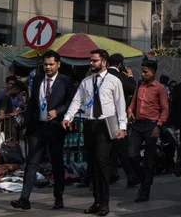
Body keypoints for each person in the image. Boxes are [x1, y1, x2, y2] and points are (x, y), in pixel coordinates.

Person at [63, 50, 127, 217]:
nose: (90, 63)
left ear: (103, 62)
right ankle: (96, 201)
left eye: (94, 60)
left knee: (102, 161)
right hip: (89, 123)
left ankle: (104, 202)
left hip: (106, 124)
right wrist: (68, 117)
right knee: (93, 164)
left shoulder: (114, 81)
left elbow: (120, 104)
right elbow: (77, 100)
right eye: (90, 61)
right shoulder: (86, 82)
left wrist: (122, 126)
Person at [12, 50, 74, 211]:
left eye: (51, 64)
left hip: (54, 127)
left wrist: (58, 112)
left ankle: (58, 197)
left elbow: (71, 102)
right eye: (45, 64)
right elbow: (32, 103)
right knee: (32, 162)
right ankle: (24, 198)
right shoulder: (38, 79)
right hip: (37, 127)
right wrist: (26, 125)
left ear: (58, 64)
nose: (48, 67)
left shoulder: (65, 81)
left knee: (56, 162)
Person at [126, 59, 169, 203]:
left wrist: (158, 126)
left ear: (153, 72)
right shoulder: (139, 85)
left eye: (146, 72)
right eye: (142, 71)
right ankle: (144, 178)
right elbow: (133, 102)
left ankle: (144, 191)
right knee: (131, 154)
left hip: (151, 125)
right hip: (137, 125)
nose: (143, 74)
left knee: (149, 160)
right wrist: (130, 110)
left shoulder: (160, 88)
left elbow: (165, 109)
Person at [106, 54, 137, 189]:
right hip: (117, 117)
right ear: (120, 64)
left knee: (108, 148)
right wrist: (130, 75)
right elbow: (132, 88)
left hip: (103, 117)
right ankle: (130, 176)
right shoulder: (120, 77)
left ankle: (111, 174)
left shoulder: (103, 76)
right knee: (122, 148)